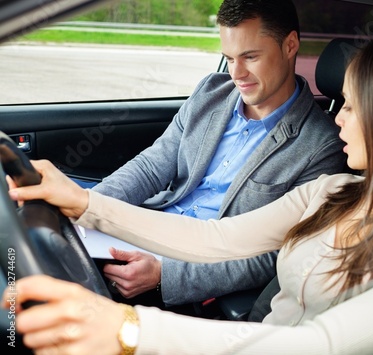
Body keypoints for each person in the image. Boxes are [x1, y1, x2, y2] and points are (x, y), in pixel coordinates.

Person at [4, 33, 373, 354]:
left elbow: (320, 345)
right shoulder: (336, 192)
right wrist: (86, 204)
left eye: (354, 108)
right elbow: (216, 239)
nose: (337, 116)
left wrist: (129, 329)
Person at [87, 0, 345, 307]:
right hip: (148, 230)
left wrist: (164, 276)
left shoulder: (321, 146)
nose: (237, 73)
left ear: (290, 45)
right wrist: (90, 208)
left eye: (250, 57)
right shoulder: (212, 91)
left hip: (194, 274)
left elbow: (276, 255)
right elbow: (152, 166)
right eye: (229, 58)